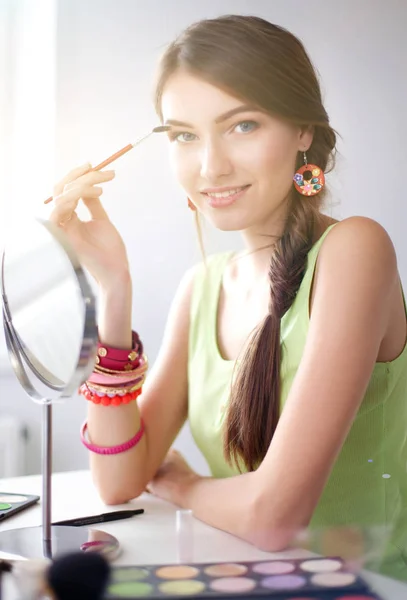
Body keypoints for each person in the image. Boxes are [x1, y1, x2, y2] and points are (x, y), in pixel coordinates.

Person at [50, 15, 407, 579]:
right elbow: (117, 480)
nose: (210, 166)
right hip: (246, 579)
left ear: (303, 131)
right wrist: (112, 288)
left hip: (369, 586)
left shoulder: (354, 251)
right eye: (185, 135)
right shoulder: (204, 287)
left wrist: (185, 483)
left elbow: (273, 518)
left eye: (242, 126)